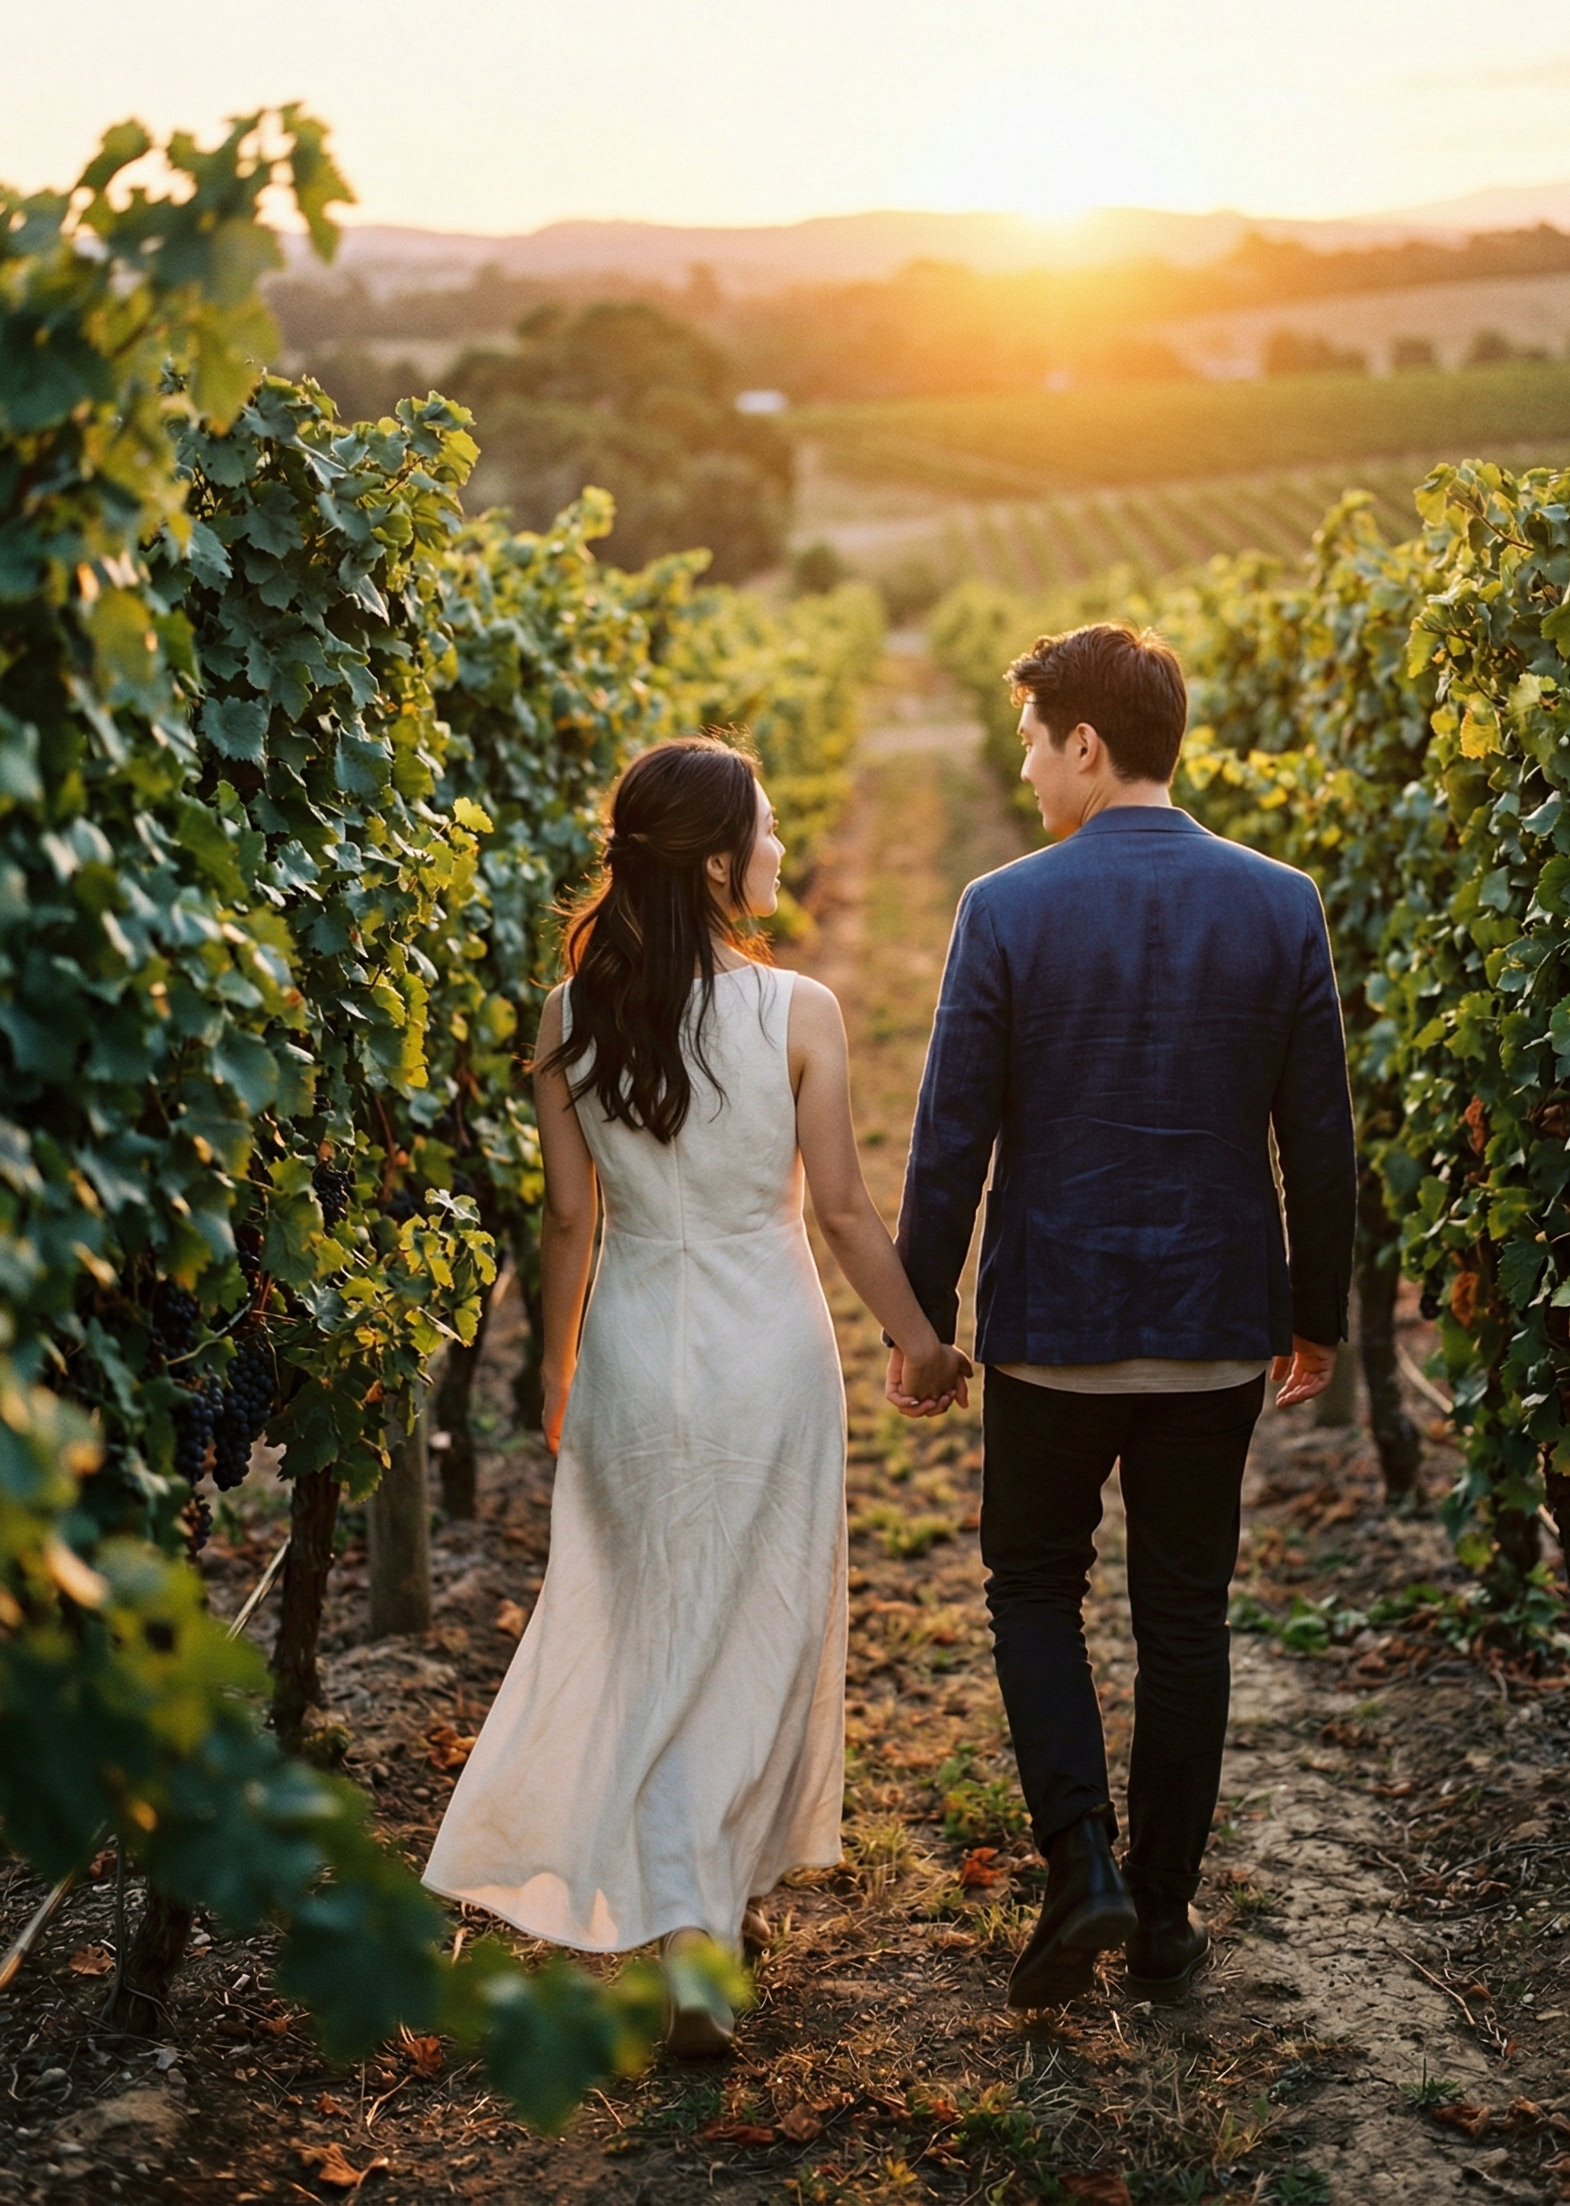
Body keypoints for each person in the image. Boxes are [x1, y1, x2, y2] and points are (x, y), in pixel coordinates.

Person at [424, 736, 968, 2055]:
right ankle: (702, 1928)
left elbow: (567, 1220)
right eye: (766, 832)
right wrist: (919, 1343)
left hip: (628, 1351)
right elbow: (840, 1210)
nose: (778, 850)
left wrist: (553, 1374)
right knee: (754, 1633)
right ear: (721, 860)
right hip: (769, 1354)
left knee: (646, 1631)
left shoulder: (568, 1017)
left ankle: (684, 1929)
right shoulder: (799, 1013)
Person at [891, 622, 1355, 2012]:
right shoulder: (1283, 903)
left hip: (1053, 1323)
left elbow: (949, 1134)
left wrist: (926, 1320)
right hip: (1215, 1320)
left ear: (1085, 742)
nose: (1030, 768)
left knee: (1036, 1587)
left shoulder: (1007, 906)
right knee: (1185, 1617)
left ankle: (1079, 1860)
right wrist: (1314, 1314)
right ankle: (1163, 1922)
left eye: (1035, 740)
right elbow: (1321, 1138)